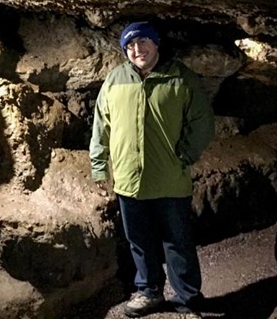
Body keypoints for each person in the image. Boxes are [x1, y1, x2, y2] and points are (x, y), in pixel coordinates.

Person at [89, 21, 215, 318]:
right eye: (130, 45)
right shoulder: (115, 80)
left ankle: (187, 299)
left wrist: (184, 155)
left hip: (169, 179)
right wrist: (99, 167)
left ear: (156, 44)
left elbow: (202, 121)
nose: (137, 49)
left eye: (143, 41)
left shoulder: (181, 78)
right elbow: (101, 125)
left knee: (177, 242)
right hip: (129, 181)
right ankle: (148, 291)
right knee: (140, 242)